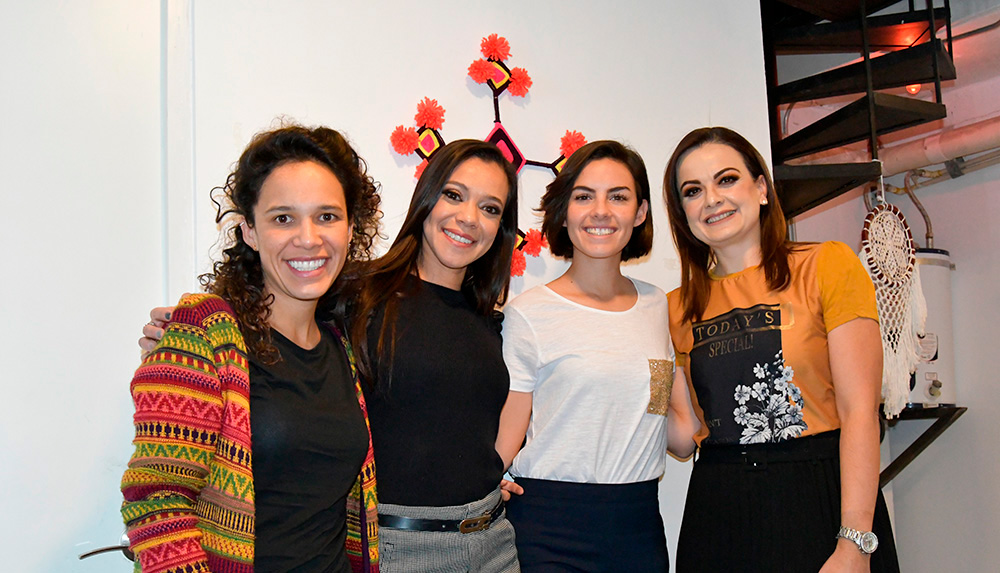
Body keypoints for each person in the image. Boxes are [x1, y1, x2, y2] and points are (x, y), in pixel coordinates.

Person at [121, 125, 382, 573]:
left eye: (327, 216)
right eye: (283, 218)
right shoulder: (205, 336)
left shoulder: (343, 346)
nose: (308, 237)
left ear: (350, 228)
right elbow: (157, 501)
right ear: (250, 231)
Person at [662, 126, 900, 572]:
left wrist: (854, 542)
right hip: (718, 510)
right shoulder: (674, 309)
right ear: (682, 213)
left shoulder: (826, 265)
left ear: (761, 189)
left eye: (726, 179)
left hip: (818, 498)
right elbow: (681, 436)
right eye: (692, 191)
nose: (711, 199)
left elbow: (859, 412)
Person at [495, 140, 696, 572]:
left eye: (618, 197)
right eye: (584, 196)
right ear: (564, 211)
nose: (600, 211)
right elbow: (508, 434)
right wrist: (484, 483)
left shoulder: (658, 306)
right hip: (547, 526)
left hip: (638, 525)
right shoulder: (529, 313)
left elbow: (681, 435)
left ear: (640, 213)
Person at [329, 139, 520, 572]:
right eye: (454, 195)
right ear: (426, 199)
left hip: (495, 542)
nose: (469, 218)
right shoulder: (356, 295)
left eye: (490, 208)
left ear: (501, 229)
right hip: (401, 548)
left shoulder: (490, 320)